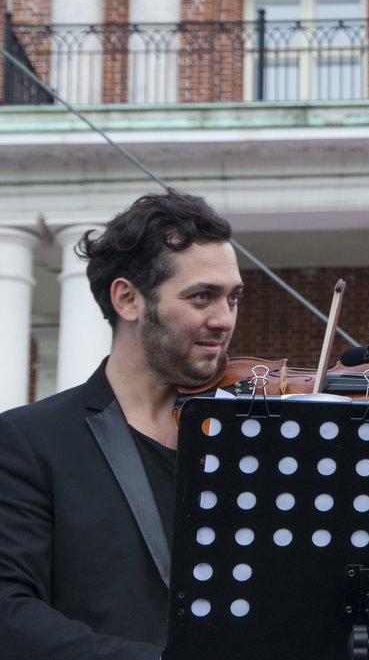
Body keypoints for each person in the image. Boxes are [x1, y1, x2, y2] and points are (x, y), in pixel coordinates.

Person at [0, 189, 243, 660]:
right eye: (201, 297)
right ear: (128, 299)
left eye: (232, 297)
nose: (224, 319)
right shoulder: (30, 443)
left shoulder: (253, 434)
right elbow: (10, 614)